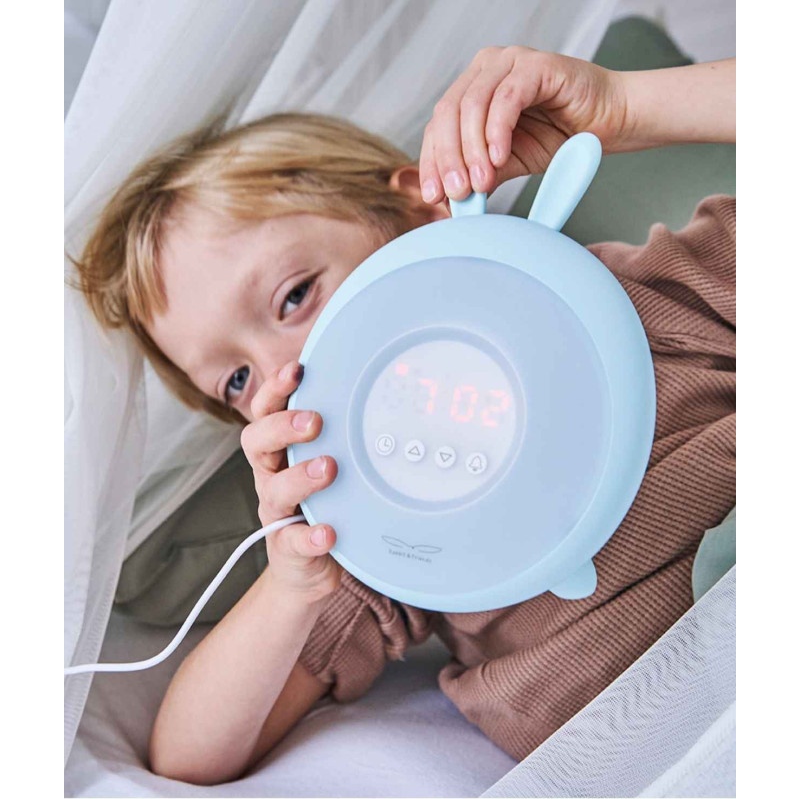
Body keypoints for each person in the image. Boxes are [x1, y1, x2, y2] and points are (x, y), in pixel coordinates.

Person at [74, 48, 735, 785]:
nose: (289, 370)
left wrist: (627, 105)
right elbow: (188, 757)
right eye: (237, 379)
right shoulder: (377, 535)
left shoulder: (641, 299)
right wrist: (293, 584)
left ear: (422, 207)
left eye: (295, 296)